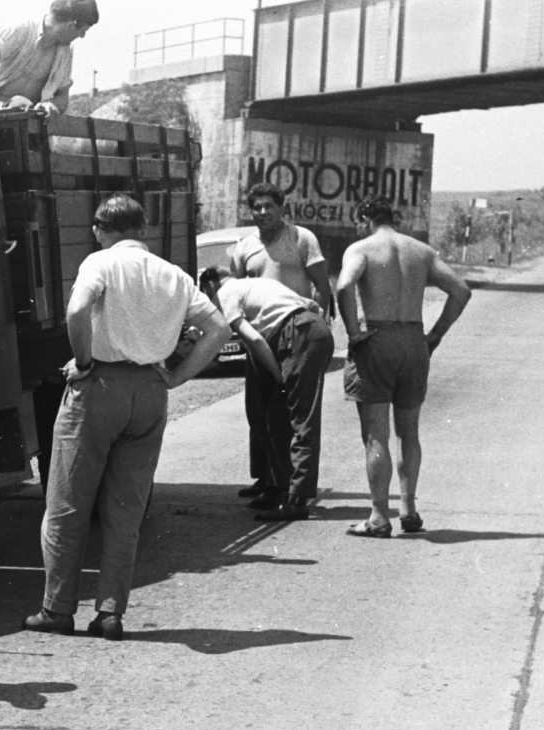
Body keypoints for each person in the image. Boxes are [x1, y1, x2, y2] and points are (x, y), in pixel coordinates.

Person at [24, 194, 231, 641]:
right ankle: (111, 612)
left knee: (66, 505)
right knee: (125, 509)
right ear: (142, 230)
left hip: (99, 388)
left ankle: (57, 609)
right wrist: (175, 377)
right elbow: (219, 330)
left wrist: (81, 361)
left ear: (100, 229)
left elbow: (78, 310)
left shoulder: (100, 264)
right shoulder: (172, 274)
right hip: (150, 392)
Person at [334, 195, 470, 538]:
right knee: (408, 430)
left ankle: (379, 516)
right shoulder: (421, 251)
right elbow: (461, 290)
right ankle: (408, 508)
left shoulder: (361, 248)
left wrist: (353, 333)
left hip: (377, 340)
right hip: (413, 340)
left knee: (376, 433)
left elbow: (345, 285)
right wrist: (435, 335)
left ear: (364, 218)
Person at [227, 182, 334, 511]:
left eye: (268, 207)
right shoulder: (244, 248)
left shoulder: (301, 238)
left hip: (296, 333)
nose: (262, 213)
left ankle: (291, 487)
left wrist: (322, 319)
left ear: (281, 208)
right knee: (259, 411)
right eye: (256, 208)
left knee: (290, 412)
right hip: (262, 338)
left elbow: (321, 284)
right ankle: (267, 479)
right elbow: (236, 291)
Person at [199, 266, 333, 522]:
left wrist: (278, 375)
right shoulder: (258, 285)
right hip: (310, 330)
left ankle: (297, 499)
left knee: (301, 419)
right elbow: (313, 306)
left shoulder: (226, 292)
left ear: (210, 286)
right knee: (277, 415)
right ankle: (277, 489)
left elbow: (255, 341)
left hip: (298, 336)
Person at [0, 0, 100, 116]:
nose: (82, 36)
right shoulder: (21, 29)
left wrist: (51, 104)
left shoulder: (66, 51)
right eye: (83, 31)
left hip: (19, 121)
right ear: (70, 25)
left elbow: (63, 97)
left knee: (20, 104)